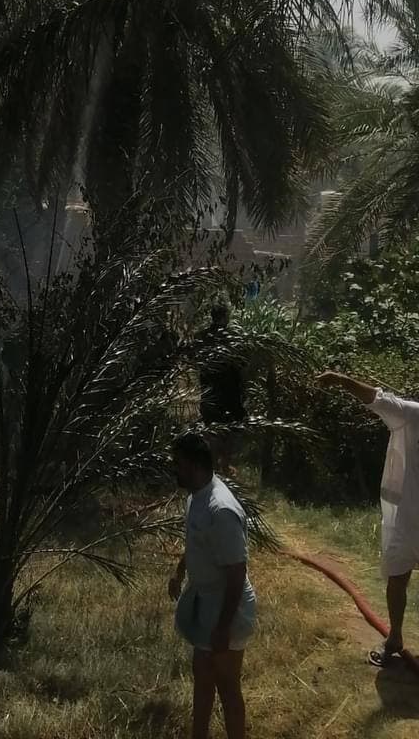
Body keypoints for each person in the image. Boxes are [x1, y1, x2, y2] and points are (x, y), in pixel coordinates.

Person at [316, 370, 419, 666]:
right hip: (408, 520)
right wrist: (341, 380)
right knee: (397, 578)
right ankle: (395, 637)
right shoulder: (412, 416)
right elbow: (377, 398)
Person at [168, 433, 256, 739]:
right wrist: (180, 572)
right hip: (207, 604)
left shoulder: (221, 510)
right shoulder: (196, 497)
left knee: (227, 686)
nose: (175, 469)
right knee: (203, 678)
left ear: (194, 465)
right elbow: (197, 543)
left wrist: (223, 626)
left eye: (178, 463)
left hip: (228, 608)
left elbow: (236, 572)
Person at [196, 303, 247, 471]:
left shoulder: (202, 337)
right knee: (230, 428)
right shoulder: (232, 338)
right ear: (225, 317)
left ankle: (214, 464)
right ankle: (225, 464)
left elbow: (197, 360)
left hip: (209, 390)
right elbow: (241, 363)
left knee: (211, 427)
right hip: (229, 390)